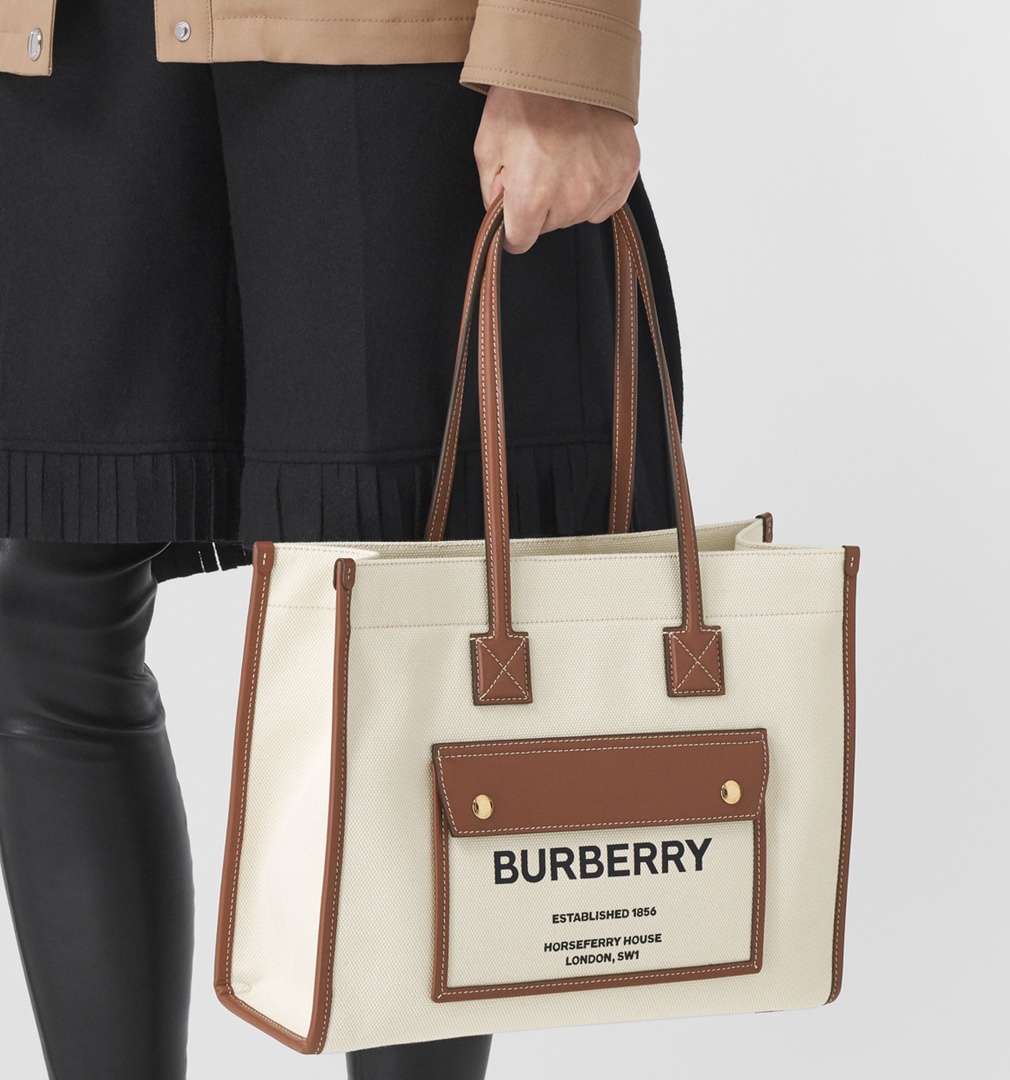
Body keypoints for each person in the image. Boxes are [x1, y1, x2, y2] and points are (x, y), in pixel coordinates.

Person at [0, 0, 686, 1077]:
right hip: (67, 50)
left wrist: (558, 57)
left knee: (404, 621)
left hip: (377, 42)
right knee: (36, 593)